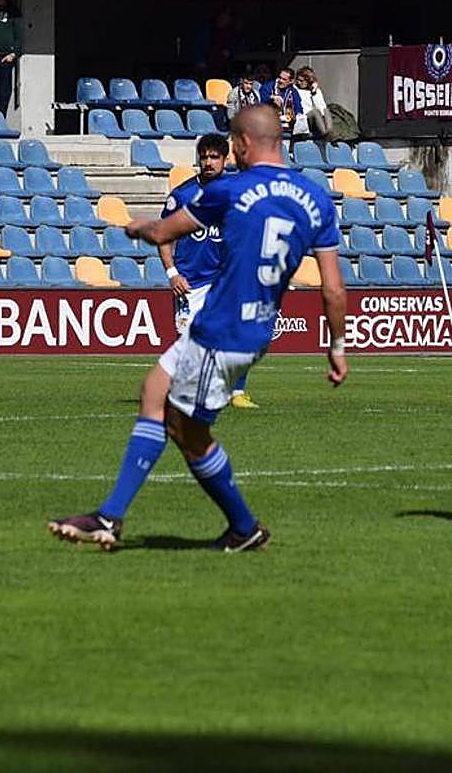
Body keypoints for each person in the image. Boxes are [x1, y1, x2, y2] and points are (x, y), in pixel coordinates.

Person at [48, 106, 348, 552]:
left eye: (233, 144)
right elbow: (334, 289)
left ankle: (141, 520)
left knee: (187, 432)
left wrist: (138, 227)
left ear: (242, 143)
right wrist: (337, 347)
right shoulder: (317, 199)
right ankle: (210, 526)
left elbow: (164, 232)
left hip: (223, 330)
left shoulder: (229, 189)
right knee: (154, 391)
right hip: (253, 329)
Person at [160, 133, 258, 409]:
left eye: (214, 157)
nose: (208, 162)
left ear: (225, 160)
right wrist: (172, 273)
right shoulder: (182, 196)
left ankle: (236, 392)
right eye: (204, 157)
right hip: (190, 282)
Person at [294, 66, 334, 141]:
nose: (299, 82)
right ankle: (325, 134)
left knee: (326, 110)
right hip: (304, 118)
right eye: (298, 80)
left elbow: (322, 108)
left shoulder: (316, 91)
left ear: (309, 81)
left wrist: (314, 93)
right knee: (315, 112)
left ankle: (329, 131)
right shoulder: (295, 89)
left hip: (318, 119)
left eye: (301, 81)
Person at [259, 67, 299, 134]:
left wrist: (294, 117)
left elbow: (298, 109)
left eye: (284, 79)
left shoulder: (293, 91)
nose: (280, 81)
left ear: (291, 81)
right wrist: (271, 99)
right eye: (280, 77)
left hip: (288, 125)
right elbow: (261, 104)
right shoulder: (267, 87)